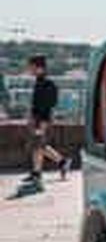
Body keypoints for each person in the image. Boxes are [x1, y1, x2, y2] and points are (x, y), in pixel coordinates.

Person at [24, 56, 69, 190]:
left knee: (38, 146)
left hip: (42, 119)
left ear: (40, 68)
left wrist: (41, 123)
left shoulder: (48, 84)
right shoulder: (40, 82)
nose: (29, 70)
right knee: (39, 146)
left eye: (32, 67)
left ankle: (37, 174)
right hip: (38, 119)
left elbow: (49, 104)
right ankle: (61, 162)